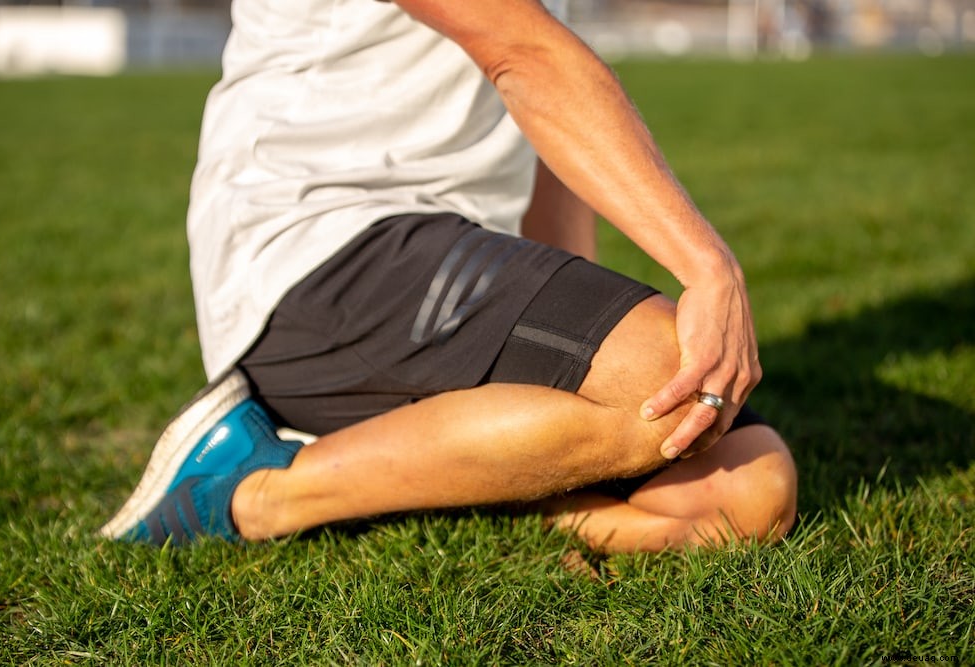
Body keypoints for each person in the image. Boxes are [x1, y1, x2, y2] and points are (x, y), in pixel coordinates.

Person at [100, 0, 797, 553]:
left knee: (752, 487)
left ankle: (476, 472)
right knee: (666, 380)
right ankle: (255, 489)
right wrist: (708, 266)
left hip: (445, 249)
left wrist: (582, 329)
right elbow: (525, 58)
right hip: (313, 255)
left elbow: (548, 134)